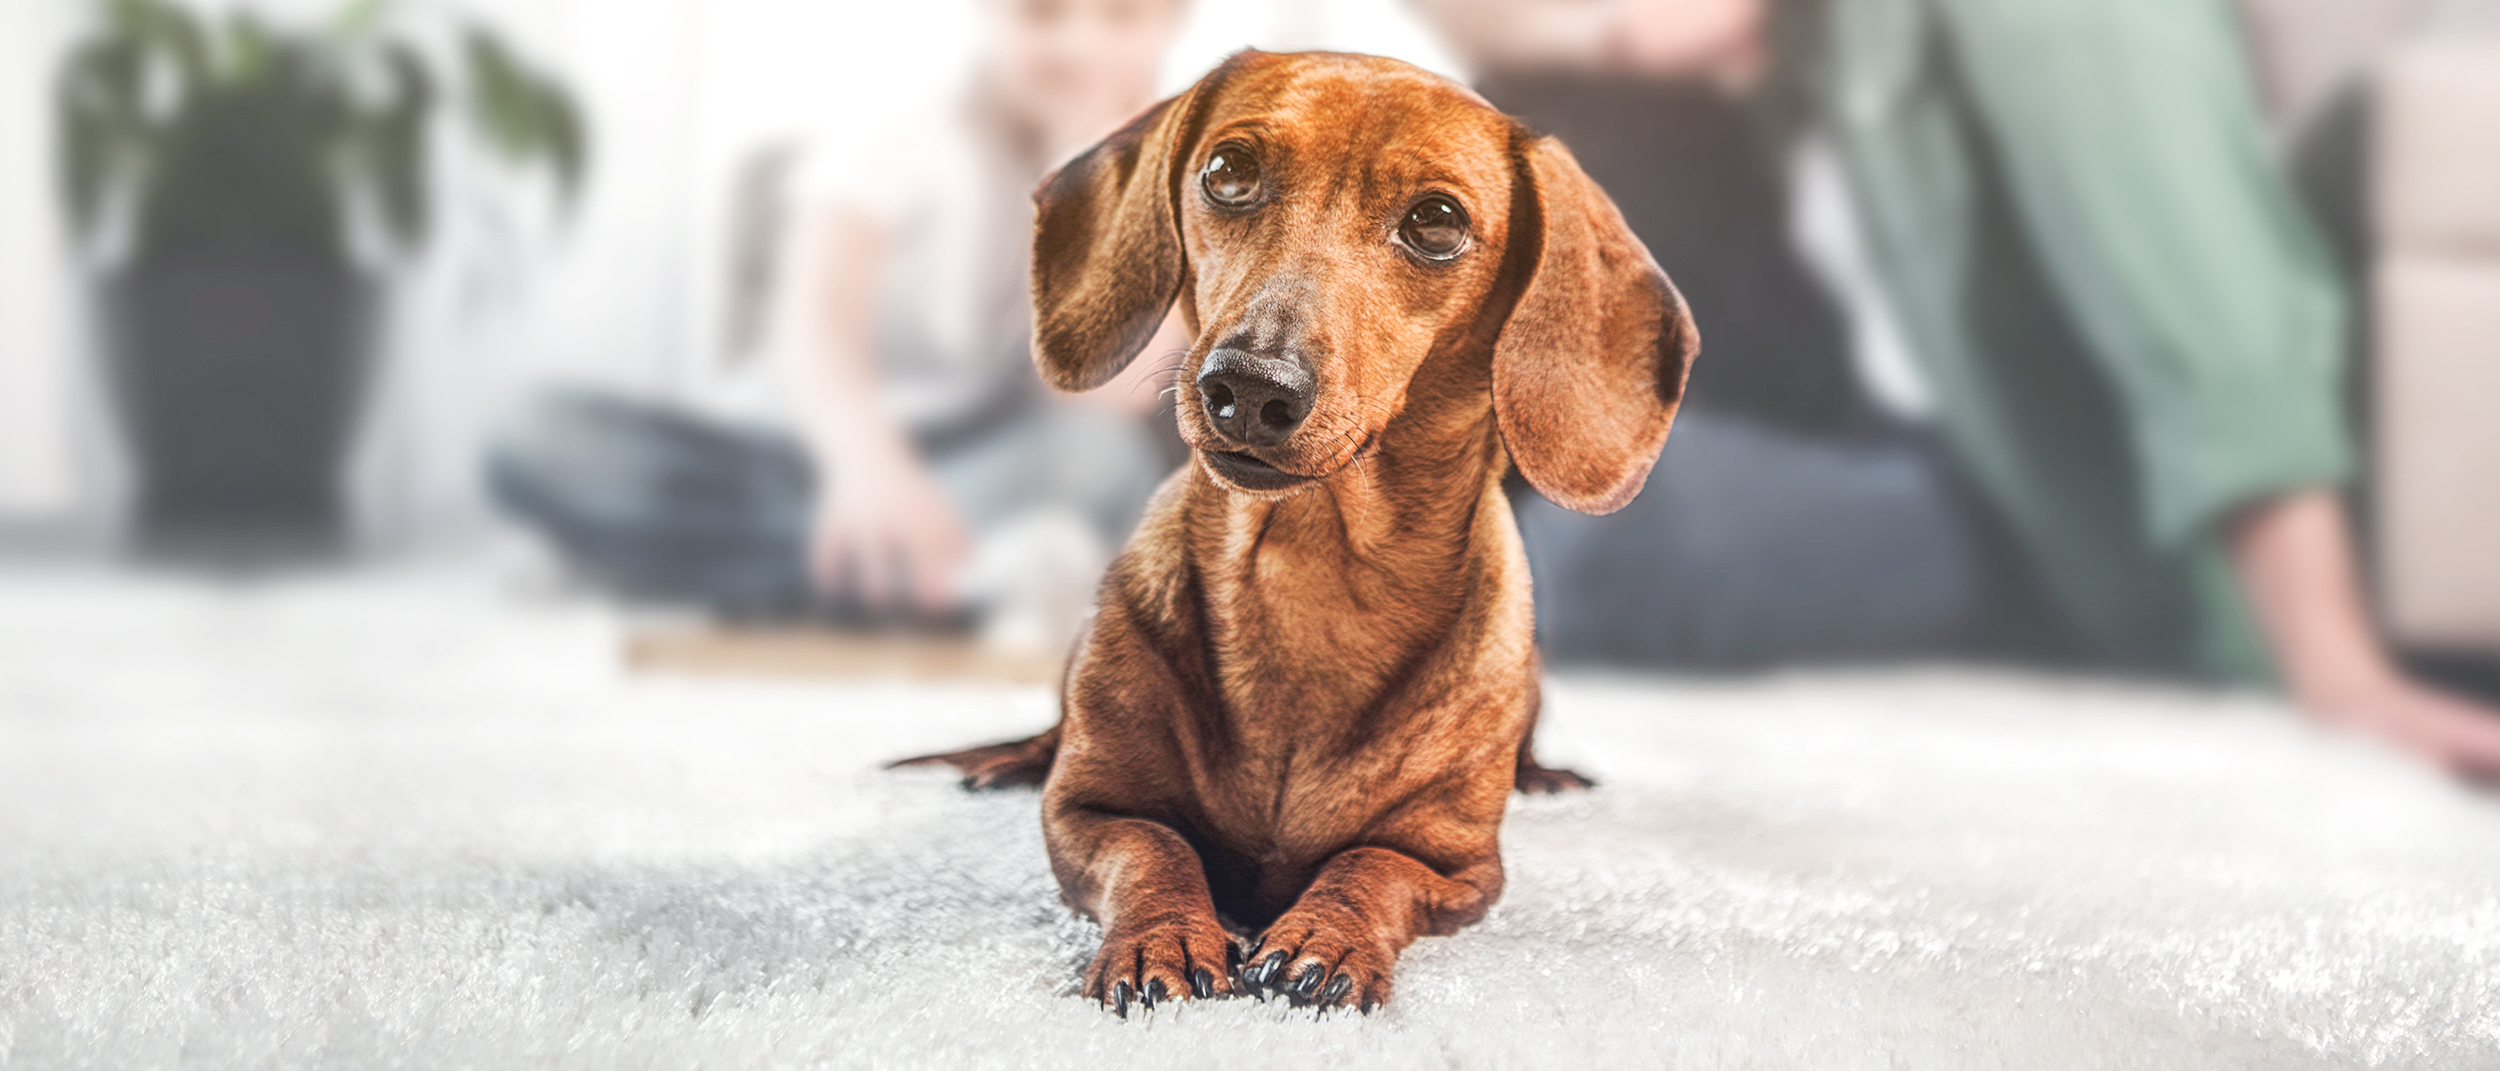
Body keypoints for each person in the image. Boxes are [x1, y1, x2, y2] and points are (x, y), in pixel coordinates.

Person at [1410, 0, 2500, 776]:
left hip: (2051, 505)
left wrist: (2331, 662)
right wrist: (1622, 30)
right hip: (1867, 422)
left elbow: (2212, 306)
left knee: (1595, 541)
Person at [489, 0, 1191, 642]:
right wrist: (865, 469)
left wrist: (1098, 196)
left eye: (1121, 16)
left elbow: (1096, 397)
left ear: (1170, 25)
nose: (1079, 44)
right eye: (1043, 15)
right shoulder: (908, 130)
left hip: (972, 470)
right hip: (795, 451)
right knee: (534, 432)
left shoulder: (1175, 181)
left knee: (1105, 459)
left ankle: (666, 565)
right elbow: (815, 322)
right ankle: (937, 581)